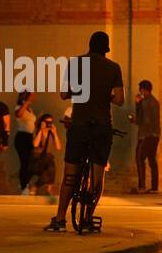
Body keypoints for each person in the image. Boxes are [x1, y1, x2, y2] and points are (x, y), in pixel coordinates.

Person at [45, 31, 123, 233]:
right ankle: (88, 218)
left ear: (89, 46)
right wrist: (105, 94)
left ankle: (60, 219)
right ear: (106, 49)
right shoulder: (114, 68)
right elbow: (119, 99)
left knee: (70, 174)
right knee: (97, 176)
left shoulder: (74, 63)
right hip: (101, 126)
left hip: (79, 124)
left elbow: (64, 93)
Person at [128, 79, 161, 195]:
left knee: (139, 157)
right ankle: (154, 187)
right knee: (152, 159)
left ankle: (141, 186)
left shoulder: (146, 102)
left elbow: (143, 120)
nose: (140, 93)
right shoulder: (154, 101)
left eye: (141, 90)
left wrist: (137, 106)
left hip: (146, 135)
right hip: (155, 134)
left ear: (144, 90)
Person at [29, 112, 61, 196]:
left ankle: (37, 187)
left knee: (50, 169)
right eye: (47, 122)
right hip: (37, 159)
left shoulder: (51, 133)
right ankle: (46, 188)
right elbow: (35, 144)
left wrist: (55, 133)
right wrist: (41, 130)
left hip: (48, 160)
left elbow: (58, 147)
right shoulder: (36, 131)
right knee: (51, 164)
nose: (49, 124)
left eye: (50, 122)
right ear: (42, 122)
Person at [12, 91, 37, 192]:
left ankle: (25, 183)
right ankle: (23, 186)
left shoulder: (30, 110)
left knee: (30, 162)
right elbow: (18, 115)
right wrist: (27, 101)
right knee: (24, 162)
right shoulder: (19, 107)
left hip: (30, 137)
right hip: (22, 137)